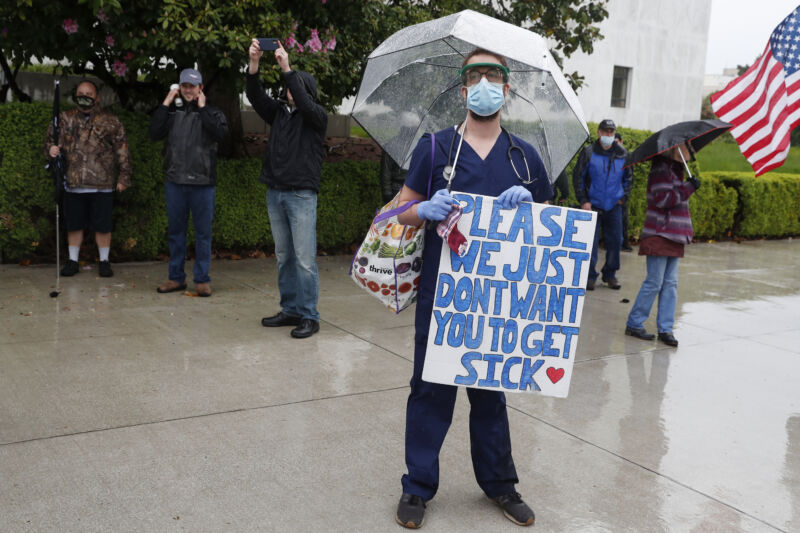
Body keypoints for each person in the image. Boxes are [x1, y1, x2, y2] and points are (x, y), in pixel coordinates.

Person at [392, 48, 553, 529]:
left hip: (496, 304)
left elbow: (550, 222)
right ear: (463, 90)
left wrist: (531, 206)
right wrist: (422, 211)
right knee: (430, 390)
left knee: (490, 394)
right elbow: (400, 209)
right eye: (475, 76)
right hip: (443, 297)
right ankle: (417, 487)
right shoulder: (436, 149)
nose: (485, 84)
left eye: (494, 76)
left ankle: (501, 485)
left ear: (507, 89)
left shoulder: (524, 157)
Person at [247, 39, 327, 339]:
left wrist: (287, 68)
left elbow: (306, 105)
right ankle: (291, 309)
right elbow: (254, 96)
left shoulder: (316, 117)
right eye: (288, 86)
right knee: (285, 256)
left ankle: (310, 315)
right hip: (275, 192)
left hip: (301, 195)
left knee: (305, 260)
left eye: (295, 86)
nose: (289, 90)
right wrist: (254, 63)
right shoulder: (279, 114)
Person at [149, 68, 228, 297]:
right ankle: (176, 278)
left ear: (200, 88)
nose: (188, 90)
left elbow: (220, 135)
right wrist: (167, 101)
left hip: (203, 182)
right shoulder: (172, 111)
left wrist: (202, 109)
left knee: (203, 233)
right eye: (184, 86)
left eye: (192, 86)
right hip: (175, 180)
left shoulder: (212, 111)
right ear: (179, 87)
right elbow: (154, 132)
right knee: (176, 232)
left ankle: (202, 279)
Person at [44, 80, 131, 278]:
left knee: (103, 226)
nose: (84, 96)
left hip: (103, 184)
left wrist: (124, 176)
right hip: (73, 184)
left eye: (89, 93)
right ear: (75, 96)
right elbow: (49, 142)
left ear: (97, 97)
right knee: (74, 225)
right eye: (81, 93)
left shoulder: (111, 121)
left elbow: (122, 150)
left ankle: (104, 261)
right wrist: (51, 149)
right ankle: (73, 261)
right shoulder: (64, 119)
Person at [625, 142, 699, 347]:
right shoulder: (661, 170)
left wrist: (687, 185)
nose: (690, 151)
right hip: (660, 233)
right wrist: (688, 188)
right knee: (654, 282)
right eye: (686, 147)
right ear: (674, 148)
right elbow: (663, 199)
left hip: (675, 235)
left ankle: (666, 329)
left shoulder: (677, 170)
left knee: (671, 284)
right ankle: (634, 322)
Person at [572, 119, 631, 290]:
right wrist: (583, 200)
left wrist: (623, 198)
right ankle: (590, 276)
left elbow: (629, 178)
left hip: (614, 205)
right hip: (593, 205)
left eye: (611, 132)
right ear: (599, 133)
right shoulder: (589, 152)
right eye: (605, 132)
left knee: (616, 241)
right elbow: (579, 177)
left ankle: (610, 274)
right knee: (590, 243)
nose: (608, 135)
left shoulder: (623, 154)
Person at [616, 132, 633, 252]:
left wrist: (624, 196)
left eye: (617, 142)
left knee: (623, 220)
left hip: (621, 196)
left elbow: (629, 178)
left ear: (621, 142)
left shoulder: (625, 157)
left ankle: (624, 243)